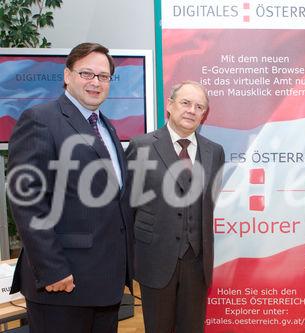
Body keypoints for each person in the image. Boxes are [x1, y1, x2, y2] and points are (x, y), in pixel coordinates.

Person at [7, 42, 133, 332]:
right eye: (87, 73)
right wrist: (52, 269)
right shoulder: (40, 120)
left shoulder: (107, 127)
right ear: (67, 75)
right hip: (63, 285)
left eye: (103, 77)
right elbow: (27, 201)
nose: (96, 82)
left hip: (104, 285)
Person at [126, 81, 225, 333]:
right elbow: (128, 208)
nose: (192, 110)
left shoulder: (215, 152)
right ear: (170, 106)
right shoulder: (142, 146)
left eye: (199, 106)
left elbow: (208, 203)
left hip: (196, 261)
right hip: (155, 258)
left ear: (204, 114)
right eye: (185, 103)